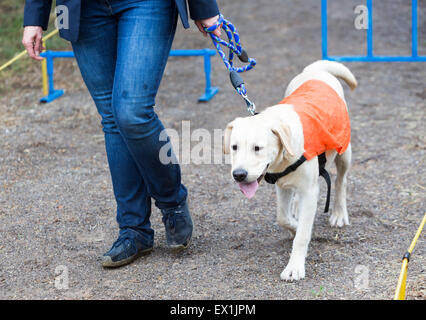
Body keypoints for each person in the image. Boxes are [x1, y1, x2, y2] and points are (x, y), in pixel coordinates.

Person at [22, 0, 222, 268]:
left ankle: (172, 201)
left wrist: (203, 7)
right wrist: (34, 17)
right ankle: (133, 230)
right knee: (112, 118)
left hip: (146, 4)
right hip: (80, 9)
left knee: (132, 112)